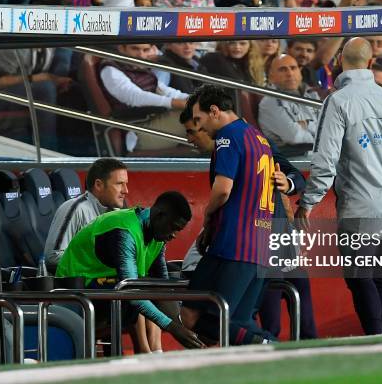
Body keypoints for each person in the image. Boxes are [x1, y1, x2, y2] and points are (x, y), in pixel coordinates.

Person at [296, 38, 382, 335]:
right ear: (369, 63)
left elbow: (325, 160)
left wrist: (308, 201)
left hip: (360, 208)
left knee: (360, 277)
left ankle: (376, 342)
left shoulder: (338, 101)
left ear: (339, 60)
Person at [179, 84, 276, 345]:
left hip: (232, 245)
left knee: (191, 315)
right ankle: (277, 353)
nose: (200, 128)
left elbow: (223, 190)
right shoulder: (259, 138)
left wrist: (208, 215)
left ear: (214, 111)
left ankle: (273, 348)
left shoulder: (227, 137)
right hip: (261, 244)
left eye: (199, 120)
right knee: (239, 322)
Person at [56, 191, 205, 350]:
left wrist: (184, 328)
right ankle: (143, 351)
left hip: (103, 287)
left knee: (147, 287)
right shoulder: (124, 232)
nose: (174, 235)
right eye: (174, 228)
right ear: (160, 215)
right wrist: (172, 328)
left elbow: (163, 289)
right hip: (74, 289)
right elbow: (131, 293)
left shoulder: (158, 236)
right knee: (135, 294)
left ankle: (147, 351)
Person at [98, 43, 189, 151]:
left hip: (154, 121)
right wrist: (175, 102)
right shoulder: (110, 69)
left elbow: (165, 91)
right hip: (137, 131)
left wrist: (195, 98)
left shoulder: (139, 68)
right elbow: (134, 97)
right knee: (198, 114)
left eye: (145, 50)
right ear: (121, 48)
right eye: (135, 49)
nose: (141, 55)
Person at [44, 158, 129, 270]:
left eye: (126, 184)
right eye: (119, 184)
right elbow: (52, 257)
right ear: (98, 185)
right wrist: (100, 264)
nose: (125, 190)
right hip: (80, 285)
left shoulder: (121, 212)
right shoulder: (76, 208)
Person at [258, 54, 320, 151]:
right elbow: (294, 137)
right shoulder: (269, 102)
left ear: (300, 72)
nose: (290, 74)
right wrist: (321, 136)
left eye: (293, 68)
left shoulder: (311, 94)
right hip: (292, 158)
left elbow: (328, 127)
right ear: (271, 76)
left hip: (316, 153)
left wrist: (306, 124)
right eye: (282, 69)